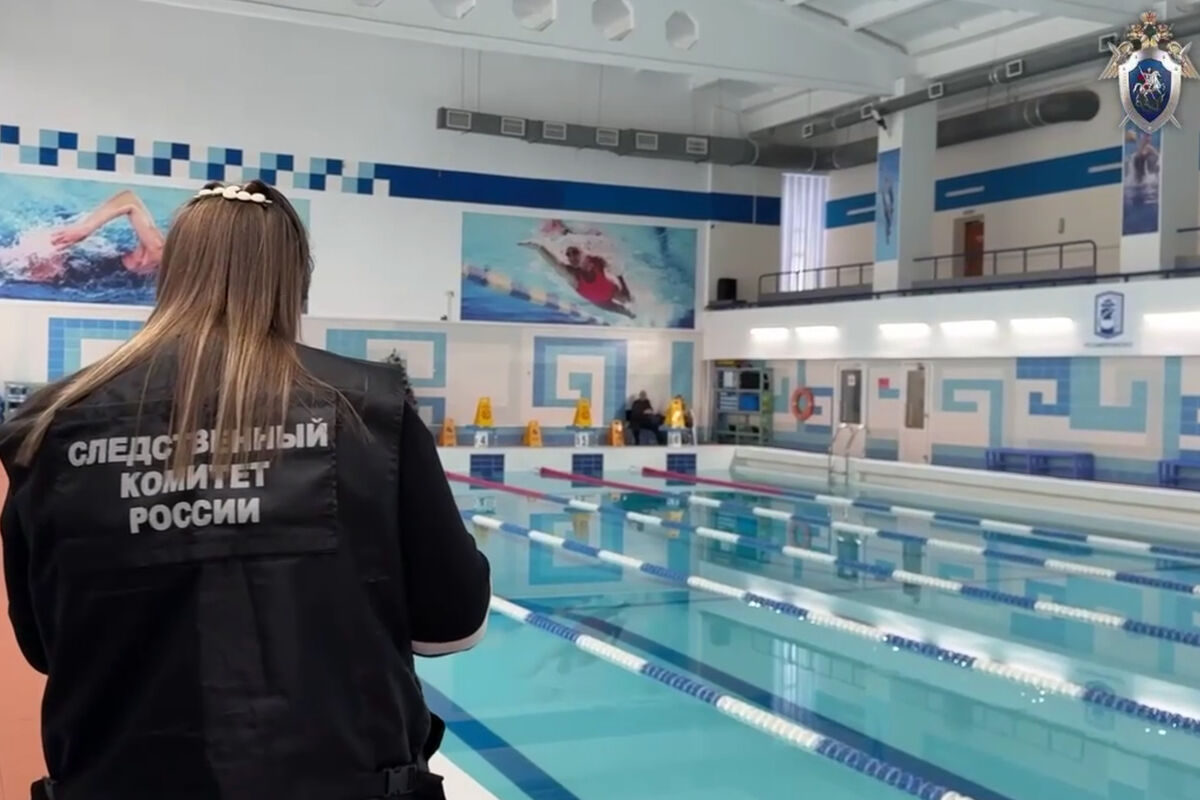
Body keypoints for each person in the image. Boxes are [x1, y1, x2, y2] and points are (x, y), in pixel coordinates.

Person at [0, 180, 489, 800]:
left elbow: (45, 644)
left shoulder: (53, 421)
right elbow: (452, 624)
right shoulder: (369, 407)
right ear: (294, 280)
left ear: (172, 271)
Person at [1, 189, 165, 284]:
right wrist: (85, 229)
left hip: (86, 280)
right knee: (35, 259)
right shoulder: (157, 251)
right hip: (84, 267)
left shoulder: (165, 276)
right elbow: (129, 200)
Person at [519, 231, 636, 319]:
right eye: (568, 254)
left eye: (575, 252)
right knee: (627, 313)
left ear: (582, 252)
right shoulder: (574, 277)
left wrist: (620, 277)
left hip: (612, 290)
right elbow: (556, 265)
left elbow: (614, 260)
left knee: (627, 300)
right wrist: (539, 248)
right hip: (600, 302)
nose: (571, 257)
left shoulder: (597, 260)